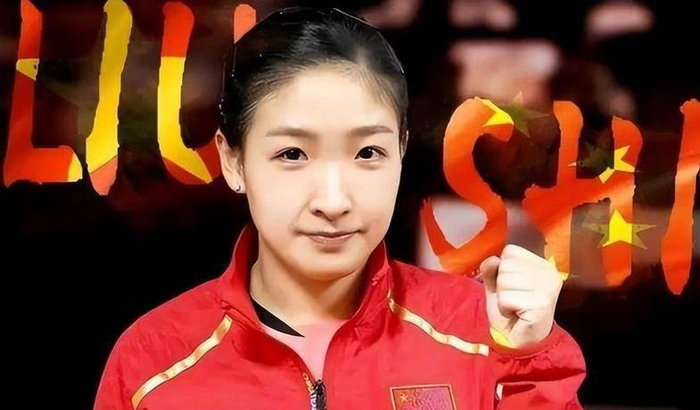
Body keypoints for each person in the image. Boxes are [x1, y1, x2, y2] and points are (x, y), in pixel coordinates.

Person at [94, 7, 585, 410]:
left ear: (401, 151)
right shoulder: (154, 362)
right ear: (233, 162)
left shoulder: (482, 331)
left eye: (368, 153)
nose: (333, 201)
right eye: (292, 154)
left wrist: (529, 359)